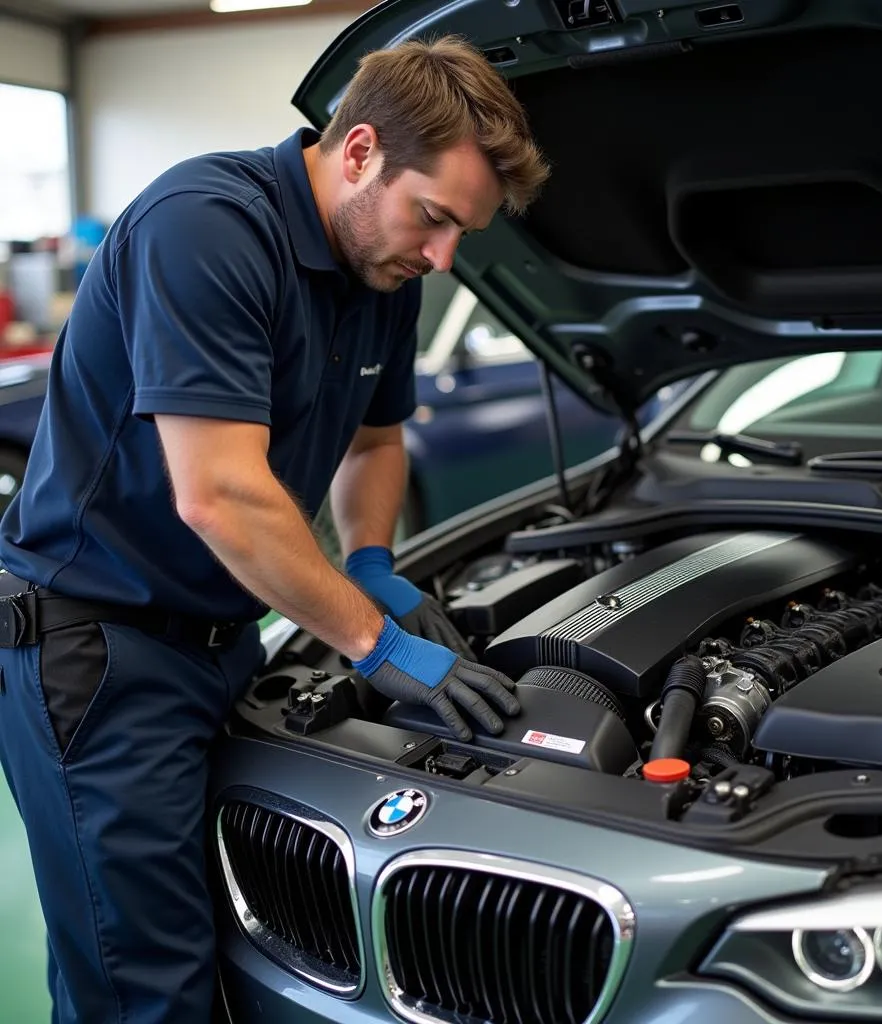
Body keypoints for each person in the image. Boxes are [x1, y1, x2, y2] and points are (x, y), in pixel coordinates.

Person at [0, 35, 550, 1024]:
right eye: (432, 218)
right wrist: (372, 640)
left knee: (244, 939)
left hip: (225, 639)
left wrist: (374, 563)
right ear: (358, 150)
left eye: (460, 233)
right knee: (142, 986)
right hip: (100, 650)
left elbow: (376, 445)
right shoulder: (205, 228)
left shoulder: (379, 271)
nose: (439, 256)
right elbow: (219, 493)